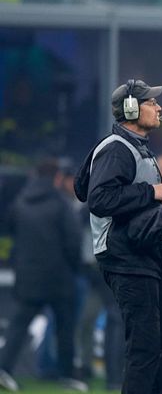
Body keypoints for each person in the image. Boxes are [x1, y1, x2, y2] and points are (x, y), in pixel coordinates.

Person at [73, 79, 162, 394]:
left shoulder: (132, 148)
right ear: (131, 108)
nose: (159, 108)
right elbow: (99, 199)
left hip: (143, 256)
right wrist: (152, 191)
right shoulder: (116, 150)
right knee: (144, 347)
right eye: (151, 103)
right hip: (126, 258)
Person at [0, 159, 87, 393]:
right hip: (59, 278)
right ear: (56, 178)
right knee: (64, 328)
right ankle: (66, 374)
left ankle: (4, 368)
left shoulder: (20, 202)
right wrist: (73, 267)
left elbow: (11, 232)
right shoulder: (60, 204)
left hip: (28, 276)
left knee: (18, 326)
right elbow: (73, 240)